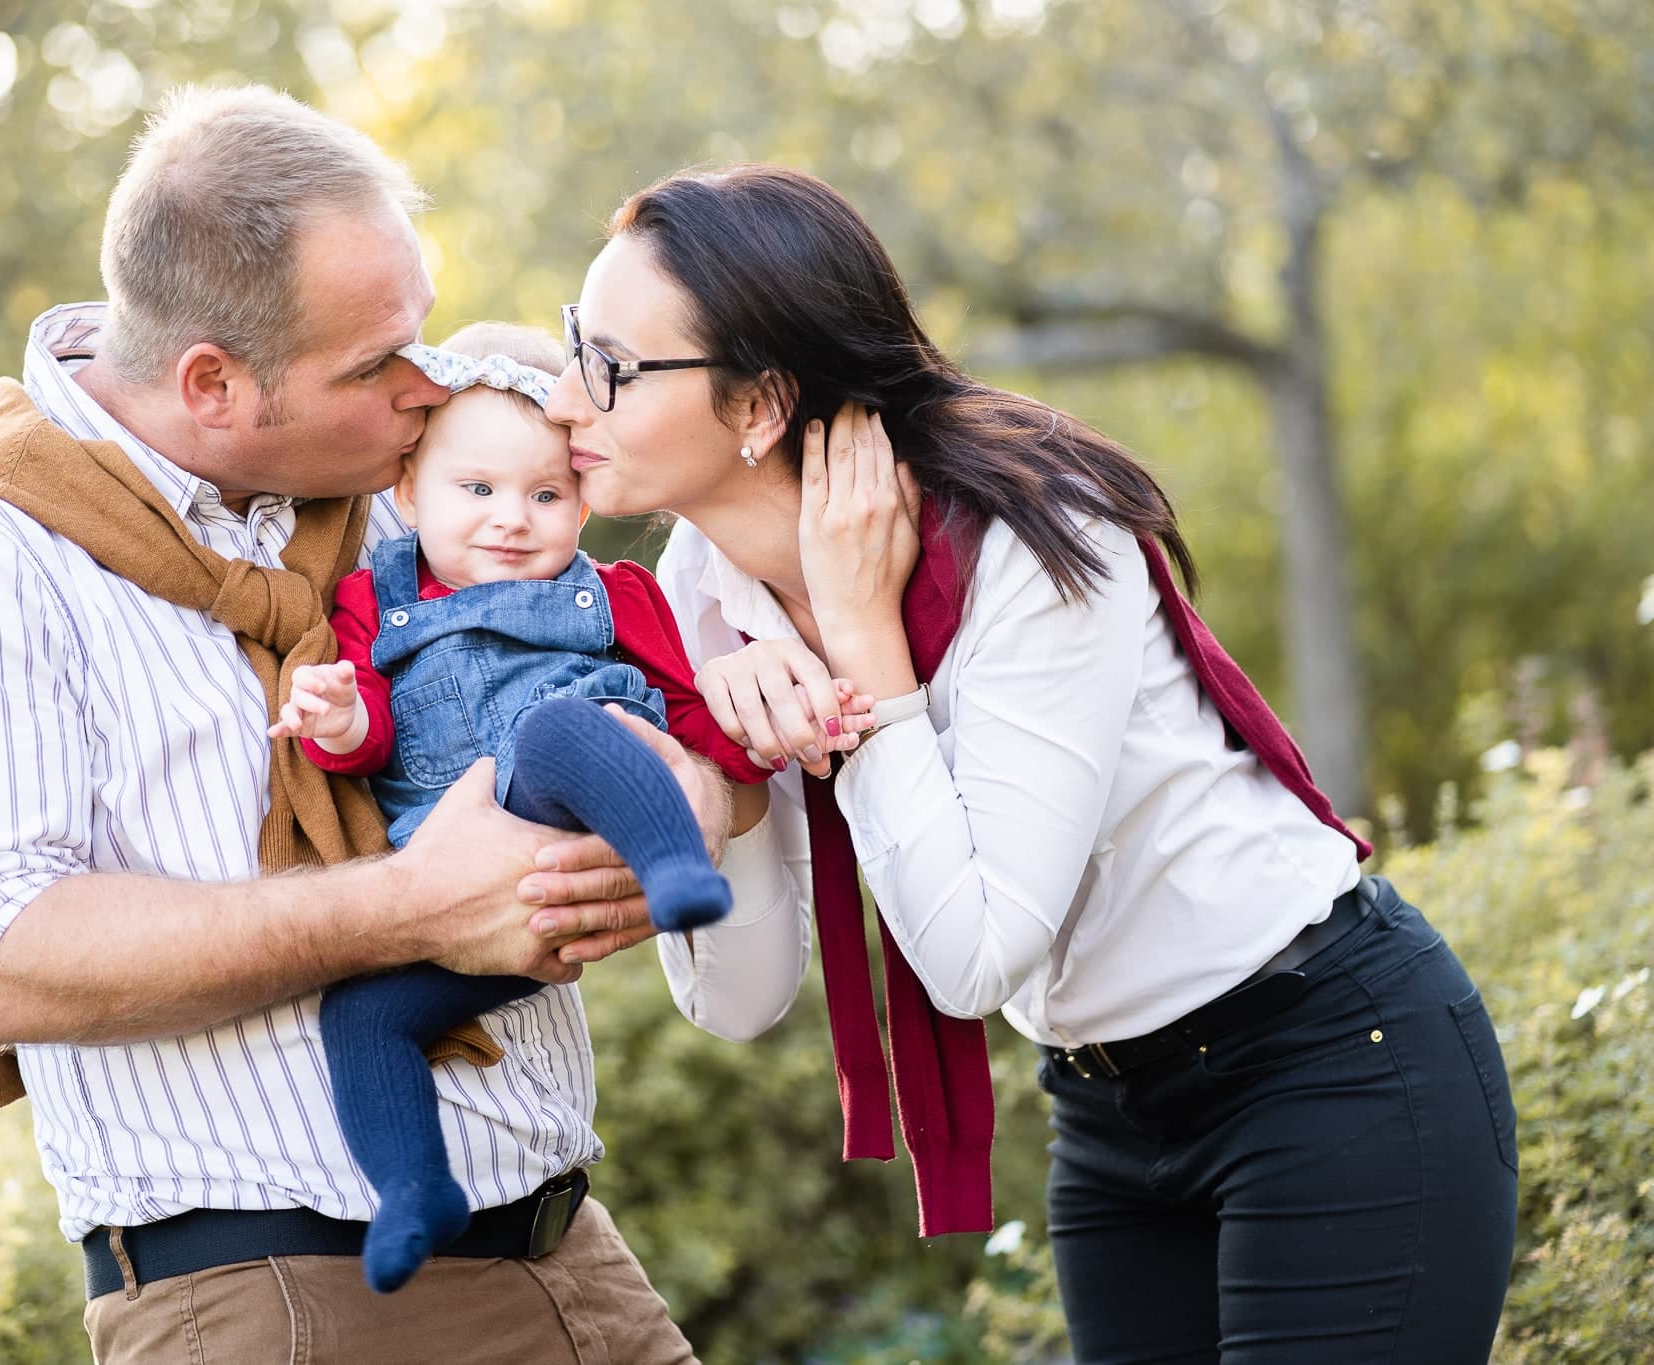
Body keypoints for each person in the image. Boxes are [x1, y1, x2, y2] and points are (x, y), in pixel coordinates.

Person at [538, 163, 1520, 1363]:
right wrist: (729, 781)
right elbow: (736, 1001)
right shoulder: (696, 589)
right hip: (1106, 1109)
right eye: (573, 345)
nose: (564, 400)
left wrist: (863, 656)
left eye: (611, 369)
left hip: (1324, 1060)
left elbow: (971, 956)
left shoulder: (1028, 531)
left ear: (758, 408)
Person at [0, 86, 719, 1364]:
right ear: (212, 383)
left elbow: (603, 673)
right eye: (374, 366)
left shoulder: (402, 490)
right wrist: (408, 908)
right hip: (282, 1304)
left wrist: (652, 831)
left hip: (571, 1260)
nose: (425, 385)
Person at [271, 322, 835, 1292]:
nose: (510, 518)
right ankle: (413, 1190)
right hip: (476, 905)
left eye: (545, 494)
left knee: (551, 727)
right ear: (406, 494)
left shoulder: (612, 594)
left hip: (585, 810)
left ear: (583, 499)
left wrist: (759, 730)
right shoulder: (374, 603)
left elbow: (695, 719)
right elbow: (370, 737)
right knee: (364, 1017)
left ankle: (671, 874)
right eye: (476, 490)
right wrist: (333, 716)